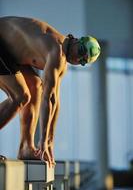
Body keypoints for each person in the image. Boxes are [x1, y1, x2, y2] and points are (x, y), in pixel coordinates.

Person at [0, 16, 100, 166]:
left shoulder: (62, 62)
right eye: (80, 51)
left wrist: (49, 141)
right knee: (20, 96)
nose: (77, 58)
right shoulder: (56, 50)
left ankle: (26, 147)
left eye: (83, 61)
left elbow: (54, 100)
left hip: (9, 51)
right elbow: (48, 99)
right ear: (76, 40)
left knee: (35, 86)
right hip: (2, 41)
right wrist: (43, 141)